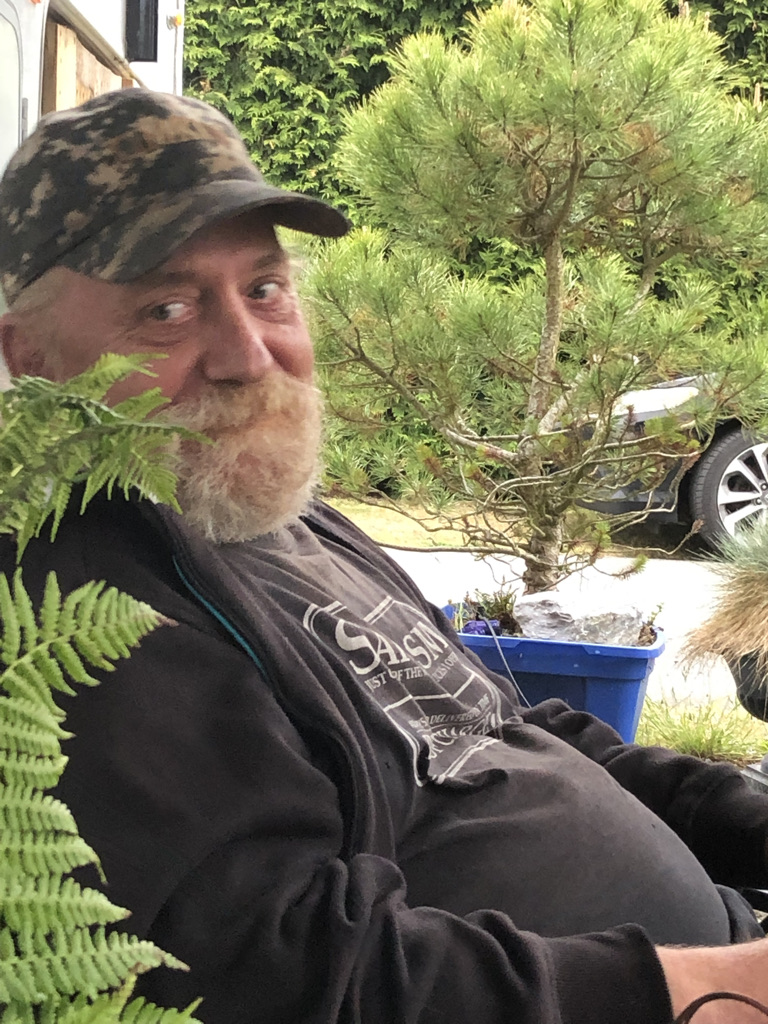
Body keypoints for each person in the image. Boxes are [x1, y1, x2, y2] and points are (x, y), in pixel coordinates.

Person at [1, 89, 768, 1024]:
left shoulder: (279, 518)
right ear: (30, 357)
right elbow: (281, 970)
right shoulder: (75, 617)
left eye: (264, 290)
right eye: (166, 308)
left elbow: (502, 726)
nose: (249, 354)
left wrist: (744, 818)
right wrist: (708, 992)